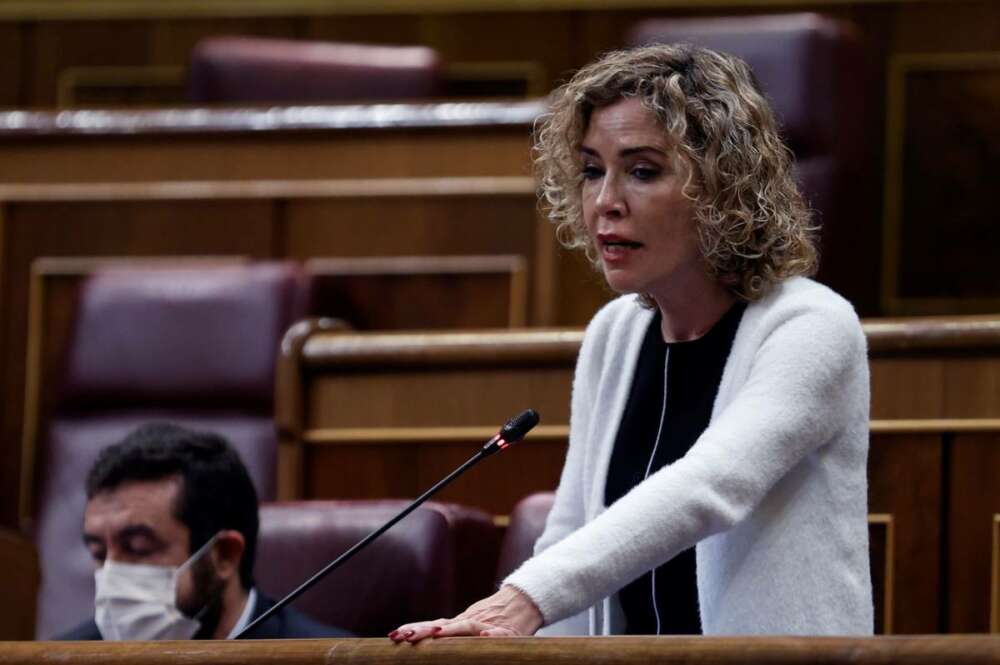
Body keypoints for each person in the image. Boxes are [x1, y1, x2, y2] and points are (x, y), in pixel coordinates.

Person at [391, 43, 872, 641]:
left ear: (724, 188)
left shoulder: (810, 326)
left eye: (642, 171)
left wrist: (525, 599)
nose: (605, 202)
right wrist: (511, 642)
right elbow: (570, 529)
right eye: (593, 170)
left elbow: (712, 485)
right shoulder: (614, 335)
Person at [58, 422, 352, 640]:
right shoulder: (67, 659)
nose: (112, 576)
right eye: (99, 553)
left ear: (224, 555)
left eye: (138, 548)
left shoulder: (324, 658)